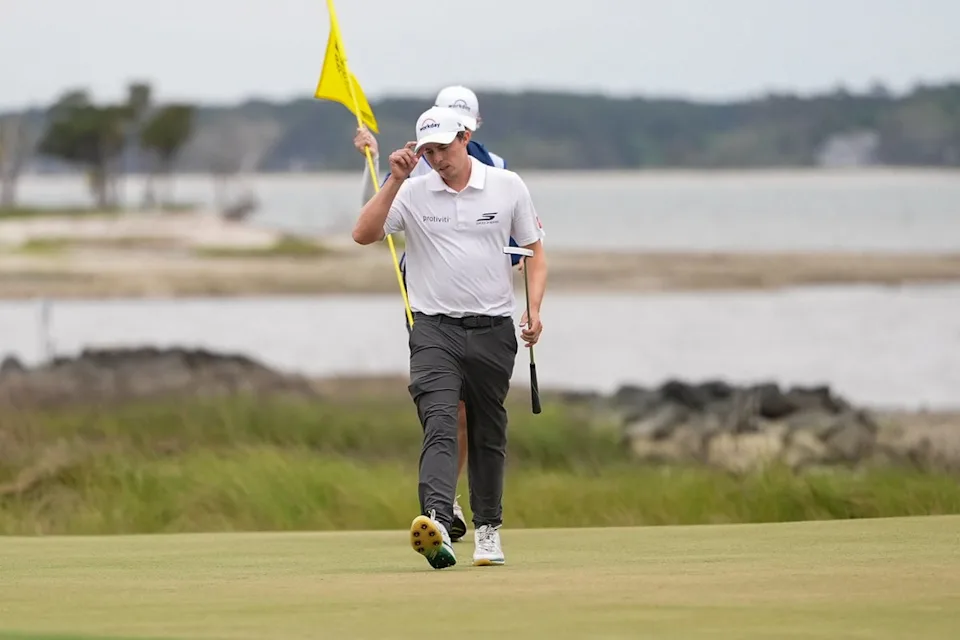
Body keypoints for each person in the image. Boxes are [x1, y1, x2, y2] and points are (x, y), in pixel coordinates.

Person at [351, 106, 547, 570]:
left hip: (494, 329)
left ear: (464, 137)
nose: (435, 159)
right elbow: (363, 233)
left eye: (441, 149)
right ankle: (438, 519)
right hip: (433, 328)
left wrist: (534, 308)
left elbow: (535, 251)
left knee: (487, 430)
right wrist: (395, 179)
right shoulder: (413, 190)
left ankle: (489, 530)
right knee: (438, 420)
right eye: (428, 152)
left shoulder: (507, 185)